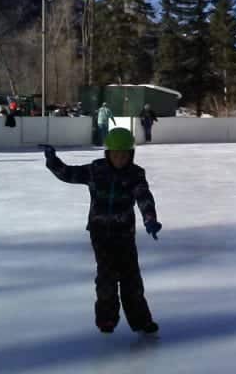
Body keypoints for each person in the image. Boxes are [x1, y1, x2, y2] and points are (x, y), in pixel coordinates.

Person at [42, 128, 162, 335]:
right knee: (106, 277)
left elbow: (144, 196)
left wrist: (150, 218)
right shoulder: (96, 170)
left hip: (125, 234)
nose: (120, 158)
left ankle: (141, 321)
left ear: (130, 154)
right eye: (115, 154)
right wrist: (53, 161)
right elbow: (69, 174)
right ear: (108, 153)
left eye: (124, 154)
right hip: (100, 234)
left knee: (131, 279)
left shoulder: (135, 174)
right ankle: (106, 319)